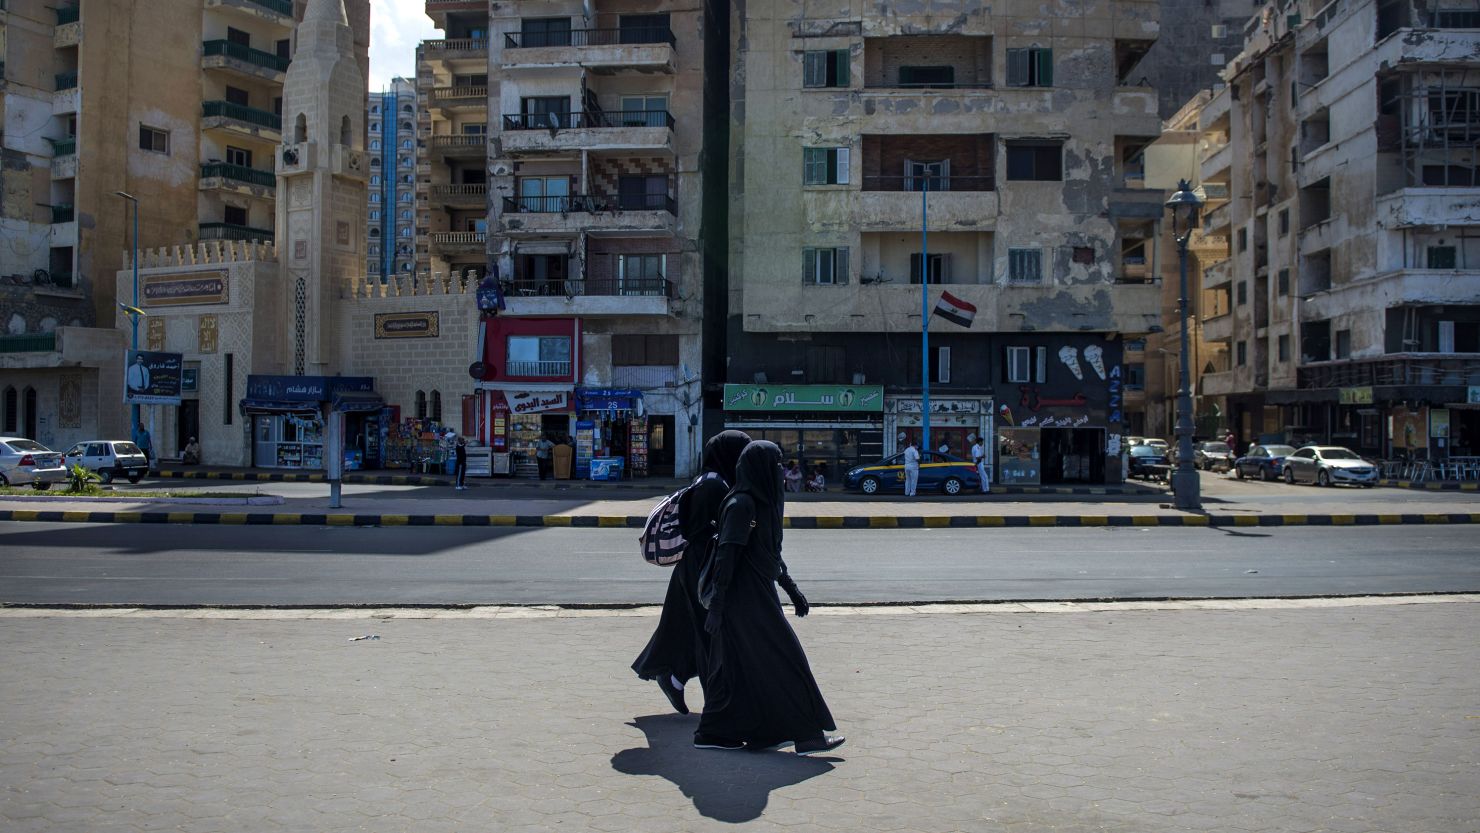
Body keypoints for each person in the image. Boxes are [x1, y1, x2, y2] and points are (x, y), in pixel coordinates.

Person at [695, 440, 844, 755]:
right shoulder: (742, 505)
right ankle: (807, 735)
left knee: (735, 667)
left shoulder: (758, 504)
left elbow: (768, 555)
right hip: (743, 601)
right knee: (785, 661)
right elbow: (726, 558)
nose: (779, 471)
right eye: (775, 464)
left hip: (756, 597)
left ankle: (721, 732)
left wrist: (792, 589)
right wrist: (718, 608)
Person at [633, 430, 751, 716]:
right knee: (713, 636)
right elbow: (711, 533)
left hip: (696, 567)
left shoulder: (712, 481)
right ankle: (720, 707)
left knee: (689, 631)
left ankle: (673, 676)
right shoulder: (713, 487)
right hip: (703, 571)